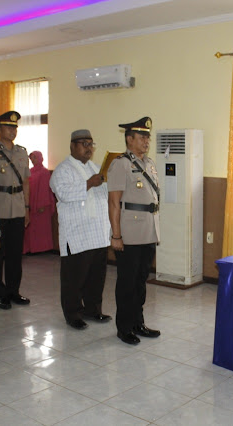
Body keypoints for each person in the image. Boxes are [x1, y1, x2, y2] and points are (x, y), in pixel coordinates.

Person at [50, 130, 112, 329]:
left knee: (96, 276)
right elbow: (63, 193)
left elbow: (105, 193)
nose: (88, 148)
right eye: (83, 143)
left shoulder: (95, 167)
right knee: (74, 278)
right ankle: (73, 314)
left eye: (91, 144)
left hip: (98, 233)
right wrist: (89, 183)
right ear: (72, 146)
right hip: (76, 235)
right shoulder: (63, 170)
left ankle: (93, 310)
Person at [107, 116, 161, 345]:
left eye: (148, 137)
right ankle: (124, 327)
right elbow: (113, 202)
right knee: (127, 283)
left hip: (148, 230)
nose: (146, 141)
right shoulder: (120, 164)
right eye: (142, 137)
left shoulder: (148, 163)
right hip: (129, 232)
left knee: (140, 281)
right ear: (129, 139)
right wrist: (116, 235)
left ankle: (138, 322)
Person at [0, 111, 31, 310]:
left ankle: (13, 291)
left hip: (18, 208)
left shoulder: (22, 152)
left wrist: (27, 208)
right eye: (8, 127)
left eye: (15, 127)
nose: (12, 131)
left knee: (15, 255)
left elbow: (26, 182)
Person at [23, 151, 55, 254]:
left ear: (40, 158)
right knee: (31, 228)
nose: (33, 160)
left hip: (42, 205)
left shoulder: (44, 172)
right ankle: (31, 248)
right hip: (31, 203)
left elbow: (44, 190)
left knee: (40, 229)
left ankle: (40, 249)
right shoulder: (30, 171)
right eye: (31, 158)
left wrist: (42, 205)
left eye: (35, 158)